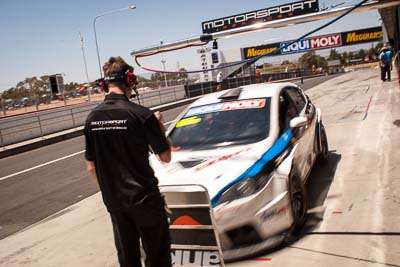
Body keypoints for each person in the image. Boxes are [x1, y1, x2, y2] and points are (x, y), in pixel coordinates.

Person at [84, 56, 172, 267]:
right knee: (157, 257)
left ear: (105, 84)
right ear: (130, 81)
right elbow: (165, 157)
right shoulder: (142, 115)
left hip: (115, 203)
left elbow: (91, 166)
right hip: (145, 201)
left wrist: (111, 193)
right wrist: (160, 128)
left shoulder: (91, 118)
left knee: (127, 258)